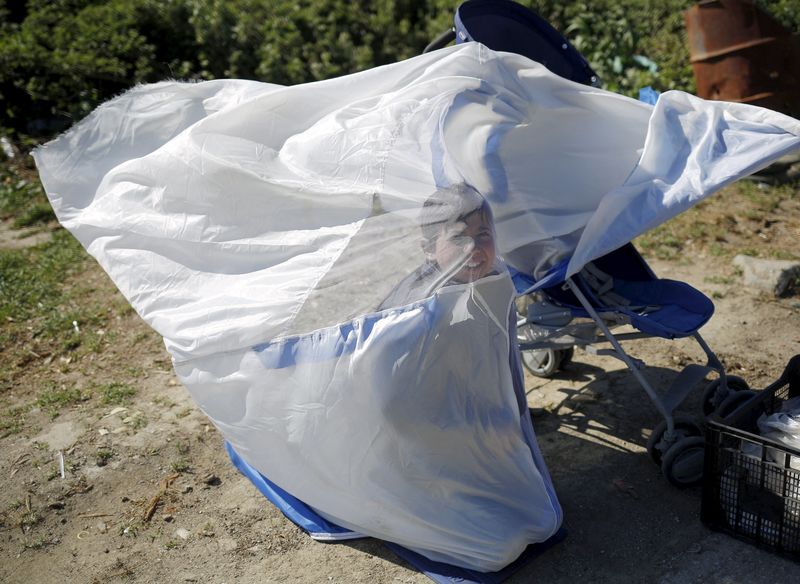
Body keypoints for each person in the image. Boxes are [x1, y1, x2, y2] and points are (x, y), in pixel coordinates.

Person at [378, 183, 499, 310]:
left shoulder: (495, 277)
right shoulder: (421, 307)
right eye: (458, 237)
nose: (472, 247)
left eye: (483, 234)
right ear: (429, 249)